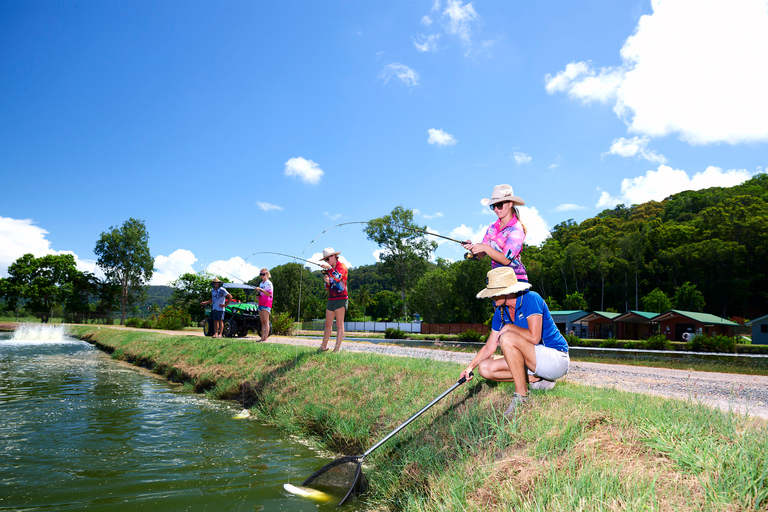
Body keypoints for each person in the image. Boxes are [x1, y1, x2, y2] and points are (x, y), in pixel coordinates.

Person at [460, 267, 569, 416]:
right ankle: (535, 380)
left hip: (555, 359)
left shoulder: (531, 299)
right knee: (484, 368)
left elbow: (534, 337)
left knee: (507, 337)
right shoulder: (500, 312)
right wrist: (469, 367)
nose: (491, 297)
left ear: (507, 291)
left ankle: (521, 397)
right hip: (533, 362)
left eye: (494, 293)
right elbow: (490, 346)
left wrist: (510, 327)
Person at [462, 184, 528, 283]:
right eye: (493, 206)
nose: (496, 209)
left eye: (499, 205)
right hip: (497, 277)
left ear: (510, 204)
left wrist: (485, 247)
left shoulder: (516, 228)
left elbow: (506, 260)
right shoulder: (492, 227)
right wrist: (473, 247)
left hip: (515, 278)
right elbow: (482, 254)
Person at [319, 247, 347, 352]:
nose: (327, 261)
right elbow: (328, 287)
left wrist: (330, 269)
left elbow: (338, 277)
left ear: (334, 256)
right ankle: (323, 346)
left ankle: (337, 349)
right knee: (328, 323)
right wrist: (327, 282)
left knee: (339, 324)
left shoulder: (342, 266)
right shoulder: (329, 270)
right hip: (331, 298)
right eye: (325, 259)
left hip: (341, 298)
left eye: (328, 258)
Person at [255, 268, 273, 342]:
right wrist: (258, 295)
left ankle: (265, 339)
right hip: (260, 303)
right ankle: (262, 338)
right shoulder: (261, 284)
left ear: (267, 274)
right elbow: (261, 293)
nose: (262, 276)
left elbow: (269, 294)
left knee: (266, 321)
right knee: (262, 322)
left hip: (267, 303)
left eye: (263, 274)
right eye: (260, 274)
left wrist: (261, 290)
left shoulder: (269, 283)